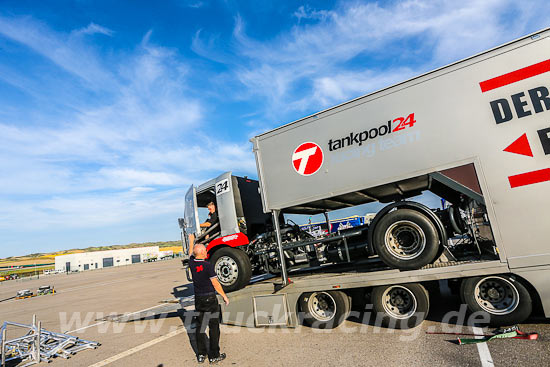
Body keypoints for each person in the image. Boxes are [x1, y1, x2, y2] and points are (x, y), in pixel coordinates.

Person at [189, 244, 229, 364]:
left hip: (199, 299)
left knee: (200, 326)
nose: (207, 252)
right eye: (205, 250)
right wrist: (224, 296)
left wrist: (191, 241)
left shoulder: (192, 263)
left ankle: (201, 354)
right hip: (210, 299)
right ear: (201, 252)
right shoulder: (207, 266)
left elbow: (191, 253)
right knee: (214, 327)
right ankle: (214, 355)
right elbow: (216, 284)